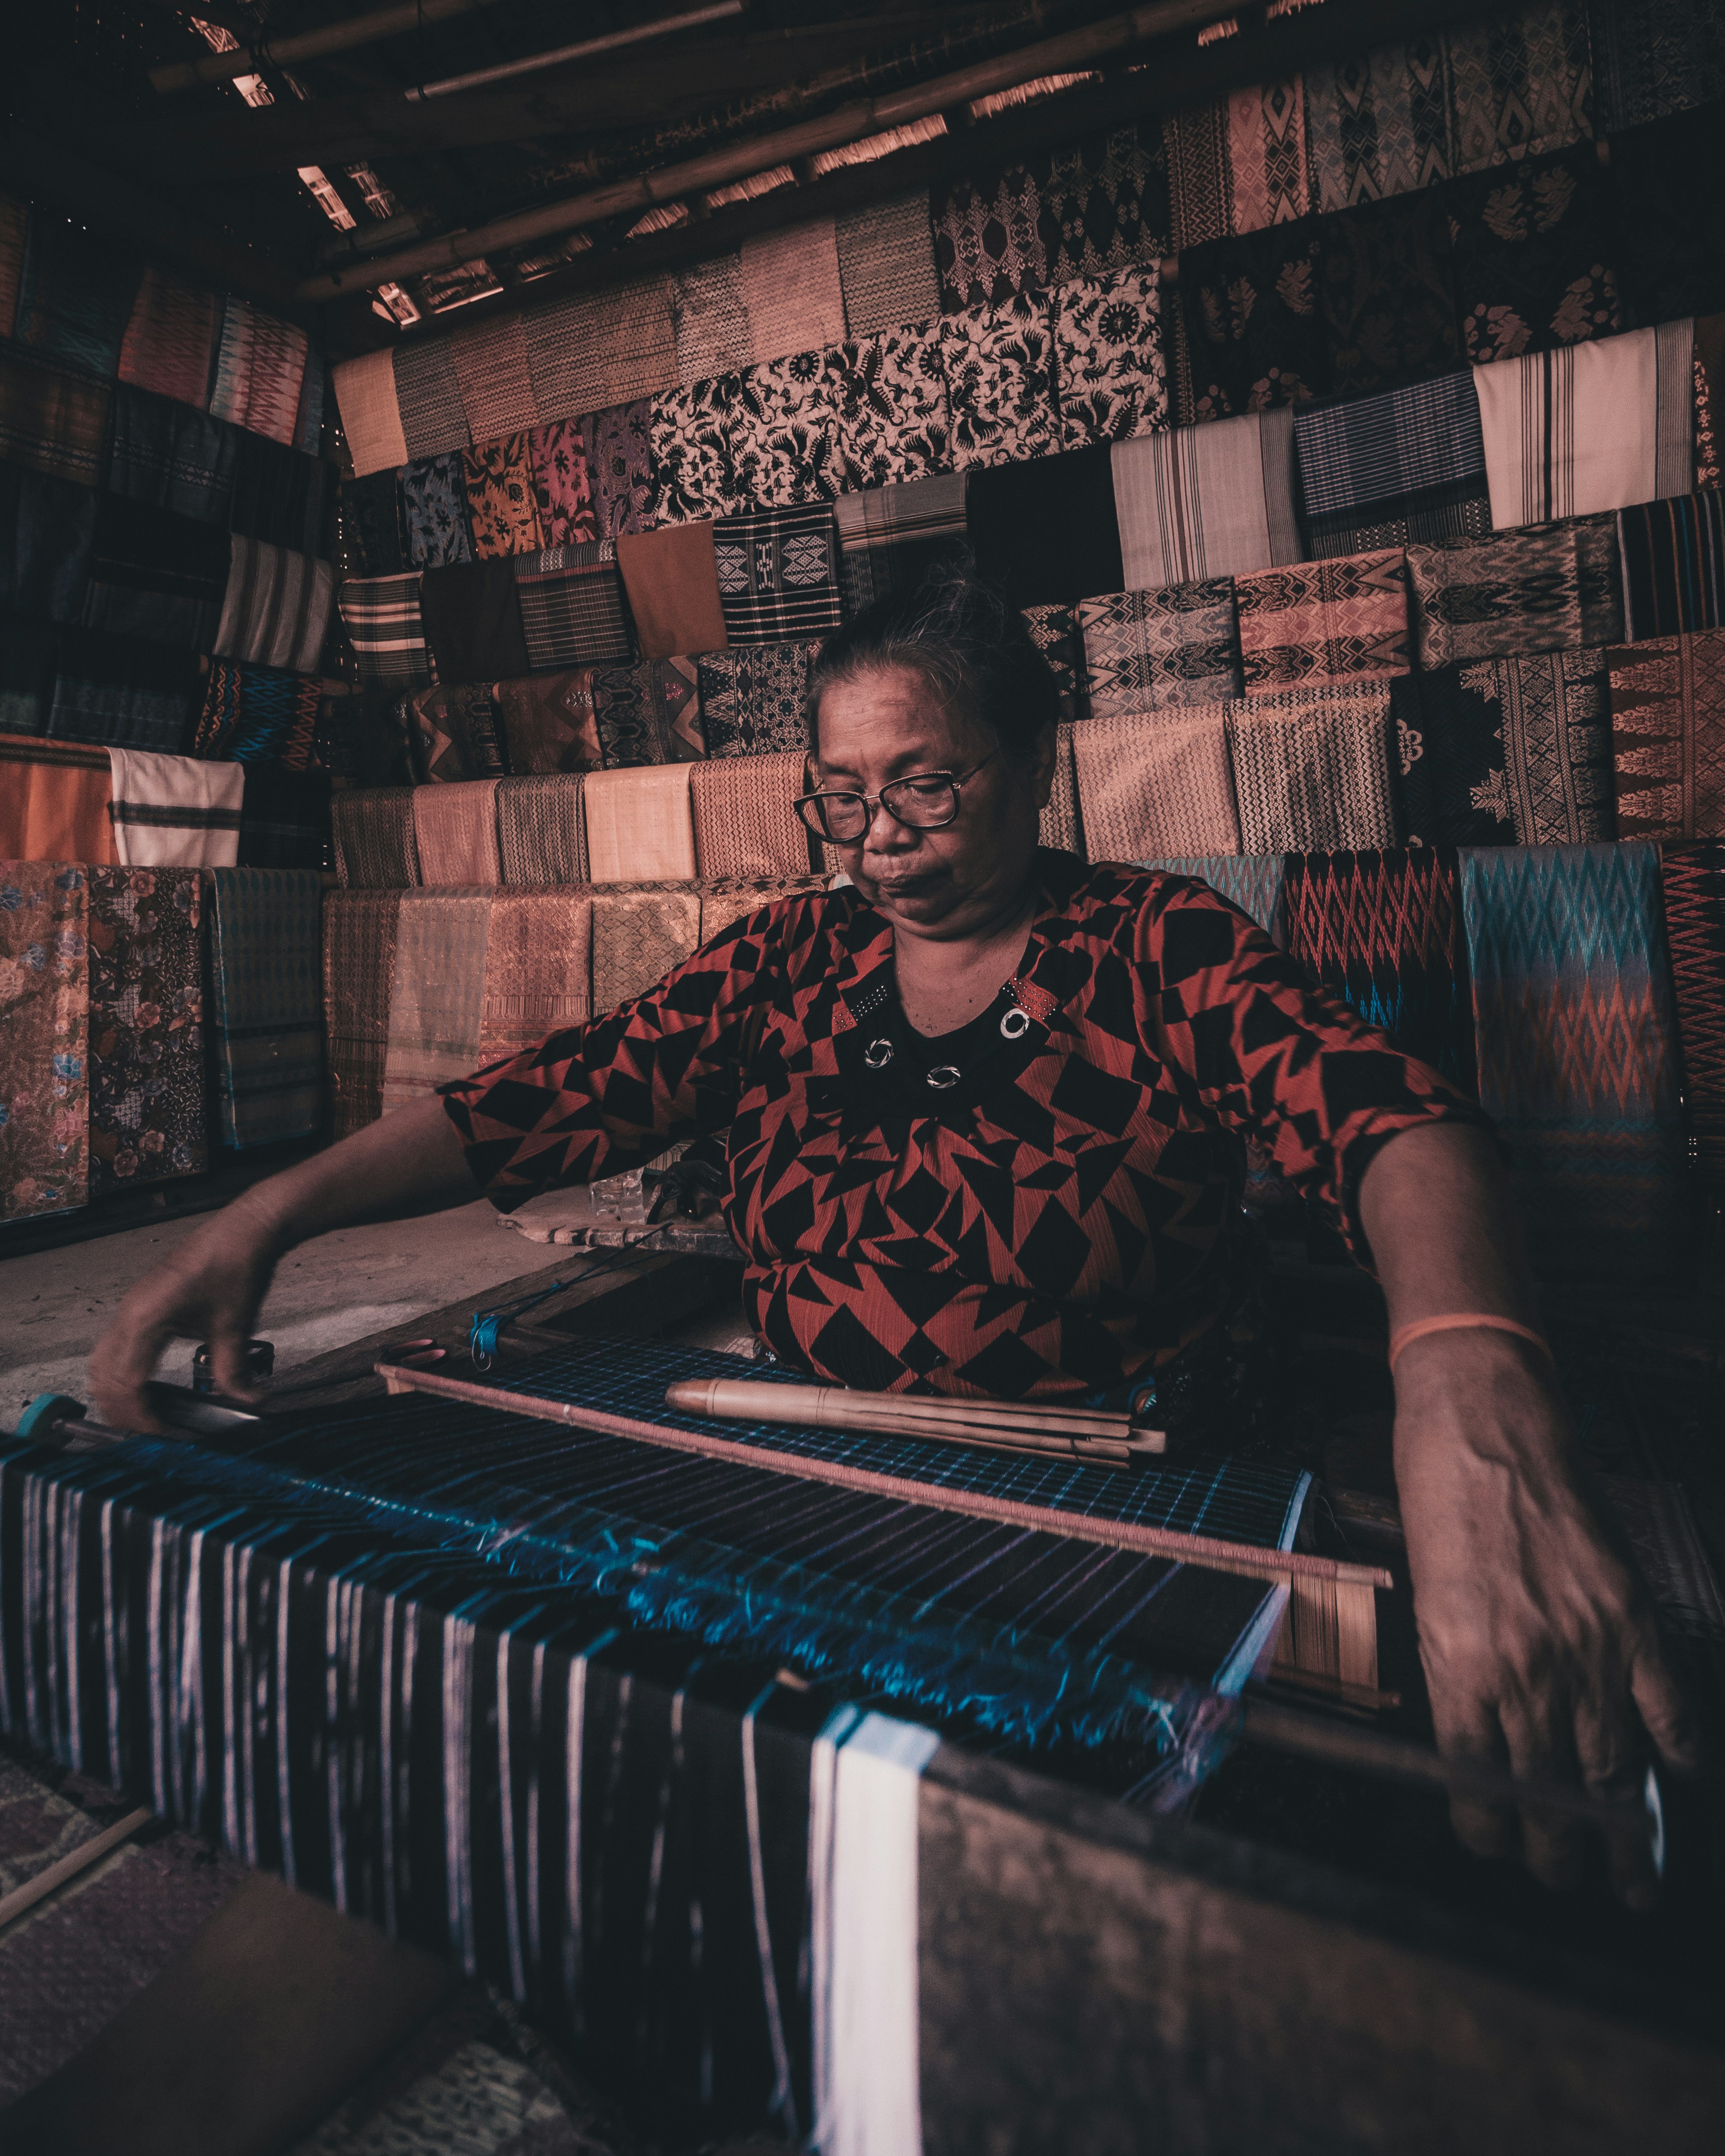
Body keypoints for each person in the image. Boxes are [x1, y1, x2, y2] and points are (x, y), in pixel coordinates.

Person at [91, 570, 1693, 1899]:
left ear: (1035, 757)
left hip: (1120, 1525)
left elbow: (1392, 1121)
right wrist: (268, 1211)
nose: (879, 834)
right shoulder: (786, 963)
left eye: (927, 780)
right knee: (508, 1776)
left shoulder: (1157, 945)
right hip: (829, 1503)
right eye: (841, 794)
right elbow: (543, 1096)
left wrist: (1468, 1377)